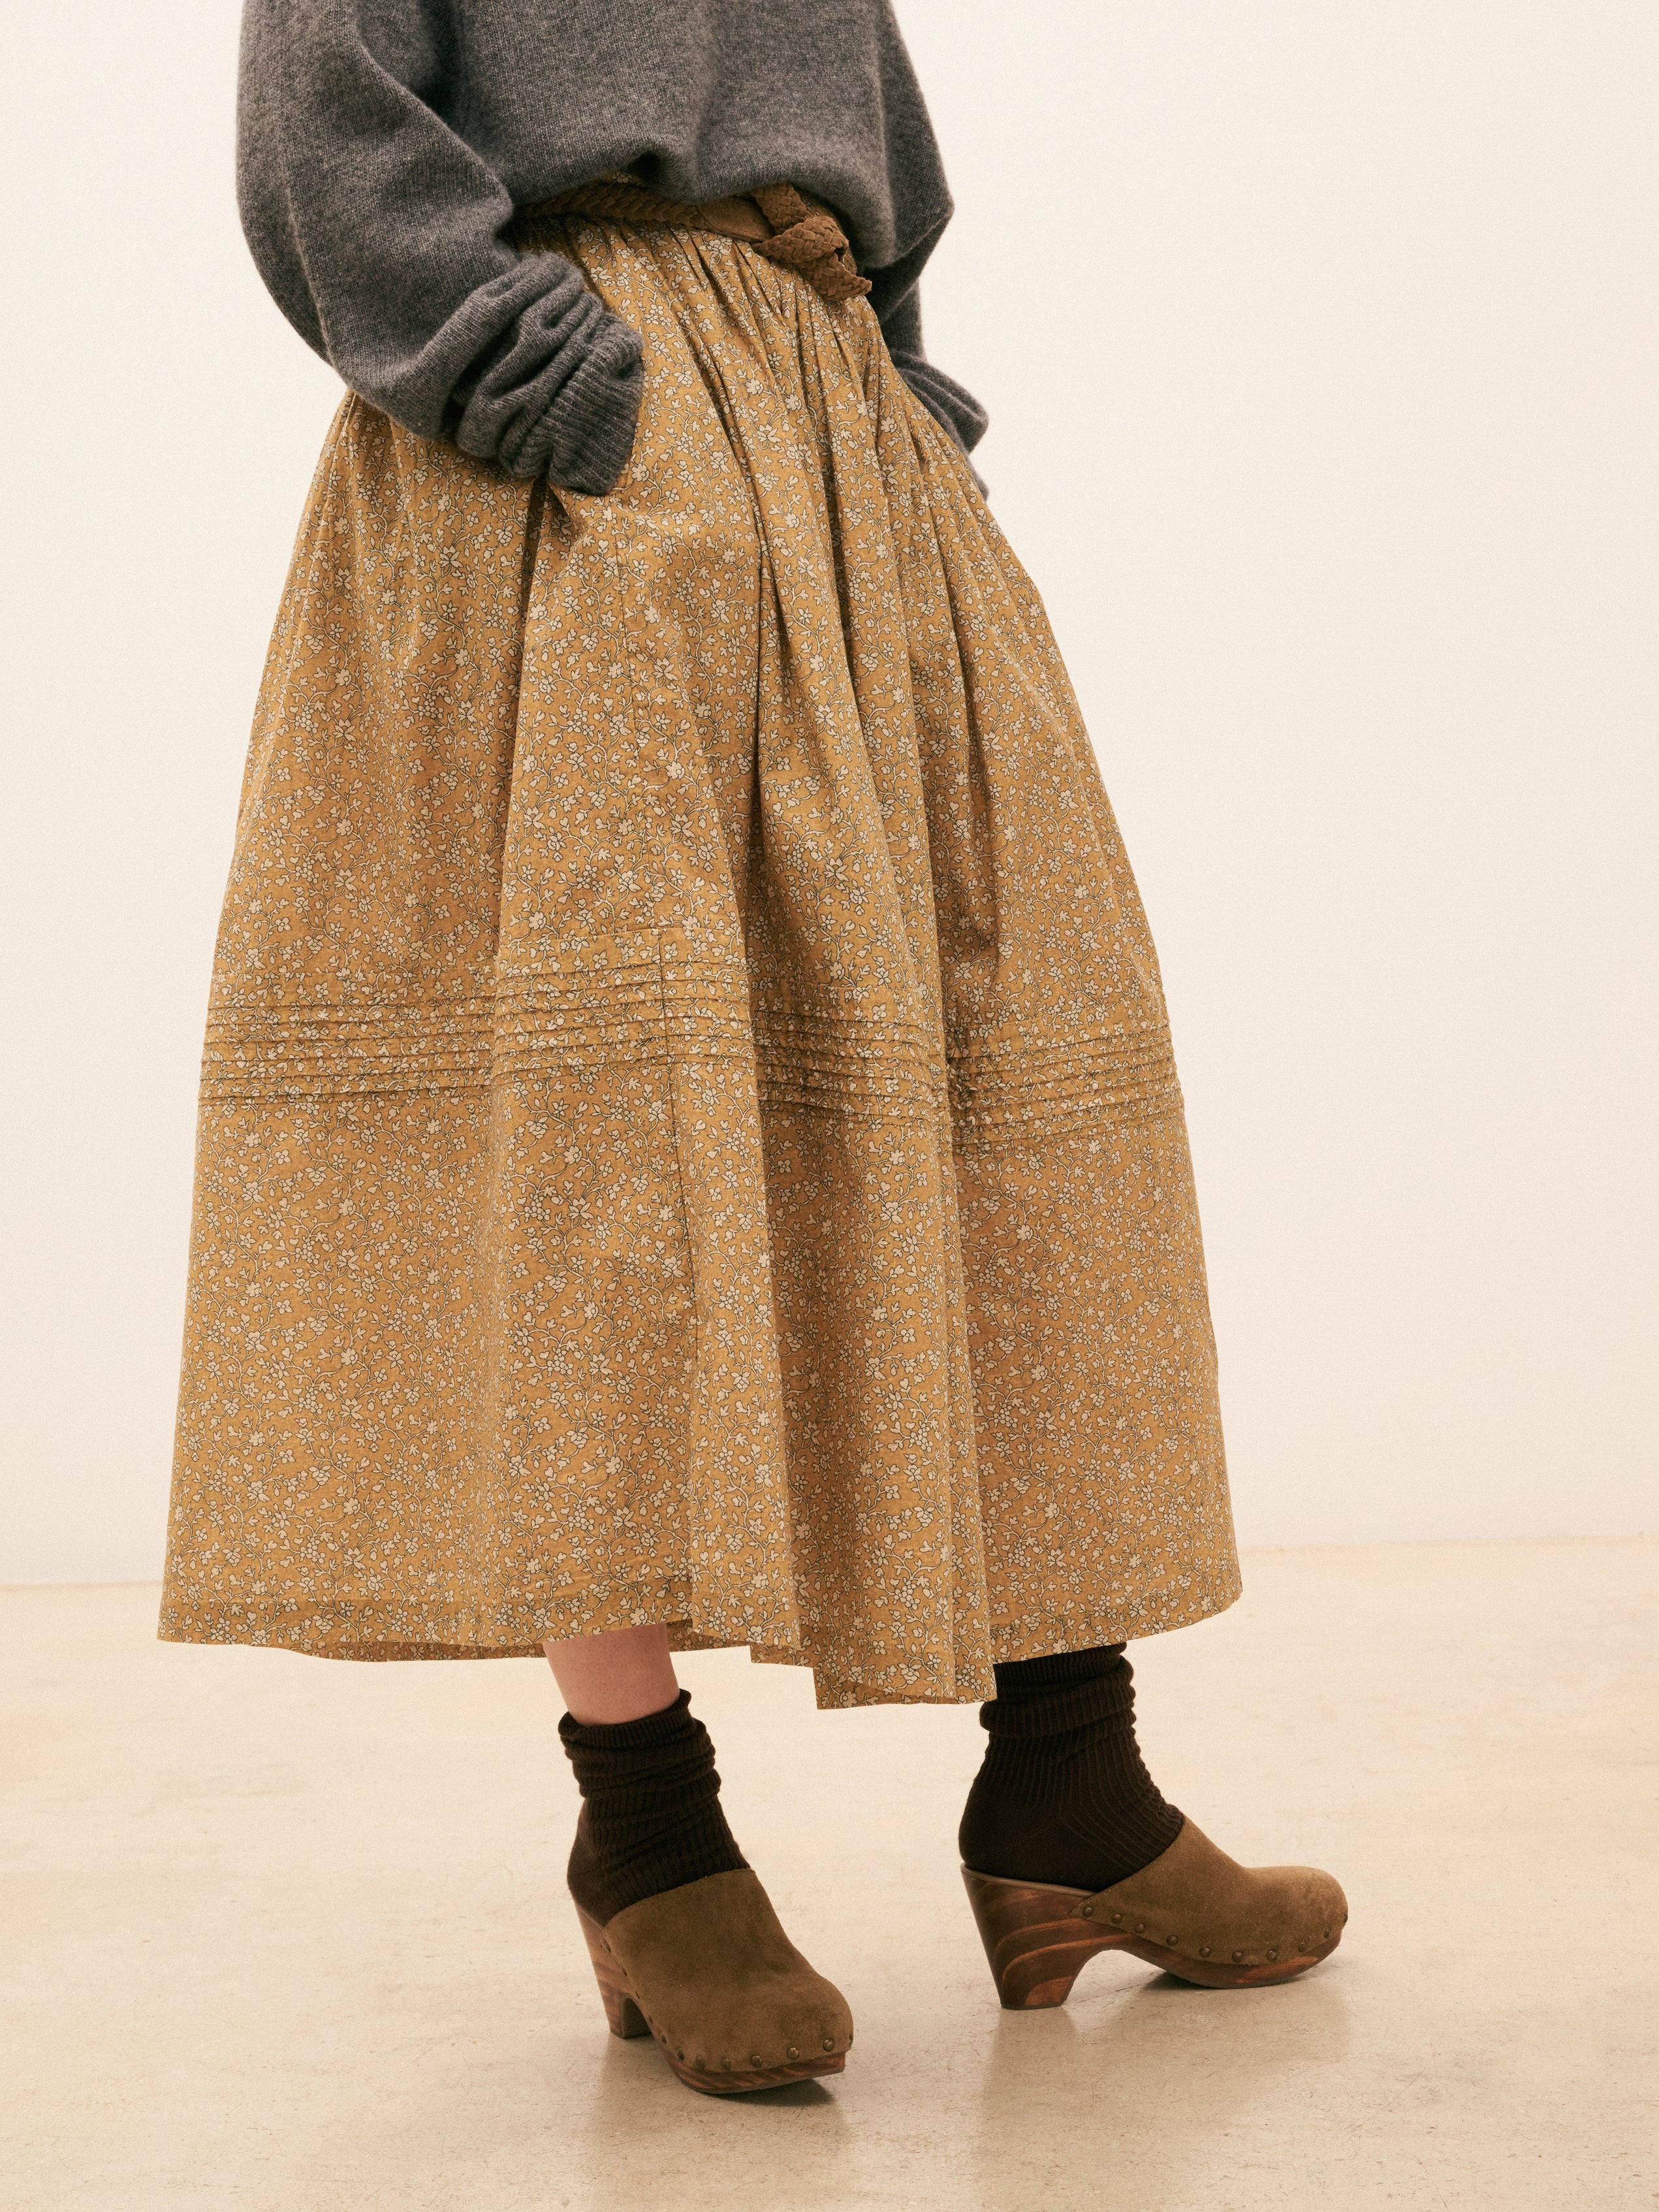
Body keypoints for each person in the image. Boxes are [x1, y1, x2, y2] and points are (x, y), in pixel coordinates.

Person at [160, 0, 1346, 2096]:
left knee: (1002, 1069)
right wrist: (568, 389)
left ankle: (1070, 1779)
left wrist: (885, 398)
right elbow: (324, 124)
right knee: (613, 1138)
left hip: (838, 458)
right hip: (565, 483)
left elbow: (876, 139)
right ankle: (650, 1836)